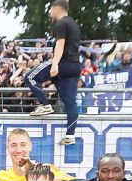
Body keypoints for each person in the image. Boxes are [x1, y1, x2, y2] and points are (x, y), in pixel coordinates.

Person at [25, 0, 82, 146]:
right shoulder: (74, 24)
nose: (50, 13)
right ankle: (70, 135)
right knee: (70, 102)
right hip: (74, 66)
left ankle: (45, 105)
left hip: (63, 63)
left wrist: (55, 63)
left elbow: (60, 44)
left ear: (57, 8)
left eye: (51, 9)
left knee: (30, 76)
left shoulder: (61, 24)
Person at [0, 128, 72, 181]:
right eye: (13, 145)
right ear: (8, 148)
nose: (18, 150)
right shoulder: (0, 178)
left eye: (23, 145)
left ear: (30, 146)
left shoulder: (47, 170)